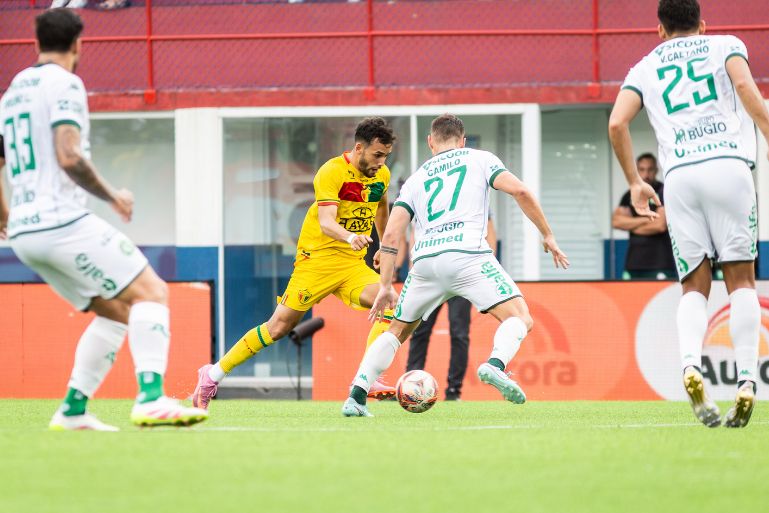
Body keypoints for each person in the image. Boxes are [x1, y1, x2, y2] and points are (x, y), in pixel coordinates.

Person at [0, 8, 207, 430]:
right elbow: (68, 154)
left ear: (36, 43)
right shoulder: (66, 84)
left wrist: (6, 215)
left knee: (118, 312)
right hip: (60, 221)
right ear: (78, 44)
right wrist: (113, 196)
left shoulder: (13, 92)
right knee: (151, 292)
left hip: (24, 231)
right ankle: (150, 398)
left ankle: (73, 409)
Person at [340, 113, 569, 417]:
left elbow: (394, 231)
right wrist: (548, 235)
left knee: (395, 331)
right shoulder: (480, 159)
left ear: (430, 142)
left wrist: (385, 284)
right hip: (467, 255)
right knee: (520, 317)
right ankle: (496, 364)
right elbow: (521, 191)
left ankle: (356, 395)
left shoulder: (416, 178)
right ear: (462, 141)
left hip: (425, 263)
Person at [609, 0, 769, 428]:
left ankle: (690, 368)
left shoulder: (643, 67)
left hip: (679, 178)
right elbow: (748, 93)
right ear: (702, 24)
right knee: (741, 278)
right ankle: (747, 381)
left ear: (659, 29)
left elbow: (616, 124)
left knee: (694, 284)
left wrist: (635, 182)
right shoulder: (724, 44)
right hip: (730, 168)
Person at [193, 117, 399, 408]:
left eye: (386, 156)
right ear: (359, 148)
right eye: (377, 154)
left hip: (351, 265)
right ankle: (212, 375)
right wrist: (350, 236)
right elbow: (327, 222)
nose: (381, 161)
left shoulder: (382, 175)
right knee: (277, 327)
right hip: (316, 262)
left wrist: (383, 245)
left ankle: (369, 376)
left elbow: (380, 208)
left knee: (390, 302)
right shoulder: (332, 172)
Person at [405, 216, 497, 401]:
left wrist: (482, 268)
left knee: (459, 333)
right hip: (431, 275)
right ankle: (410, 386)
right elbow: (416, 235)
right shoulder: (427, 198)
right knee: (419, 331)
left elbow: (490, 233)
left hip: (461, 275)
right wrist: (414, 268)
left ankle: (454, 390)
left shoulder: (474, 198)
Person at [611, 153, 676, 280]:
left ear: (656, 170)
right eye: (642, 169)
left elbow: (660, 225)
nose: (646, 174)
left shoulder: (664, 191)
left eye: (650, 169)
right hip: (633, 264)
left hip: (660, 263)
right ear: (636, 170)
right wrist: (647, 218)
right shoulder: (629, 194)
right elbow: (616, 222)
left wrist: (630, 225)